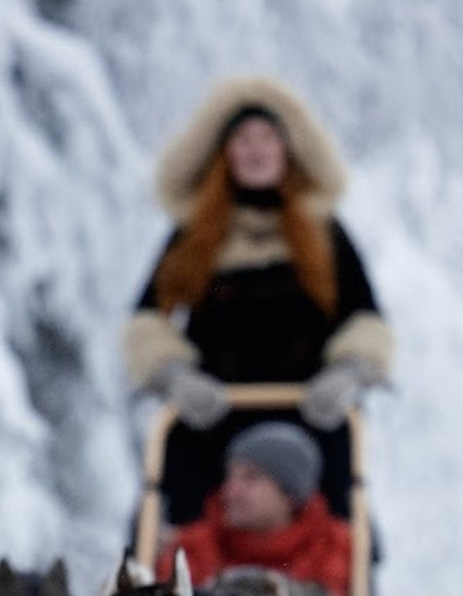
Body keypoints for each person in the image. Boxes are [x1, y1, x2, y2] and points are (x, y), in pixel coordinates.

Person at [122, 74, 393, 527]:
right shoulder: (194, 237)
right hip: (210, 417)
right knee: (166, 520)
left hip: (312, 415)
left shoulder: (324, 232)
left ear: (288, 150)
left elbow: (364, 316)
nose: (256, 149)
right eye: (243, 139)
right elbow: (149, 317)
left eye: (267, 138)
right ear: (224, 153)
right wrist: (174, 376)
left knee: (342, 522)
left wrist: (348, 373)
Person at [154, 420, 351, 596]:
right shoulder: (190, 547)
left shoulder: (335, 546)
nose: (231, 491)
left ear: (290, 495)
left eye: (250, 478)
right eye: (230, 478)